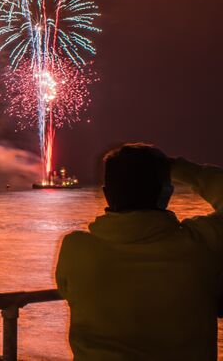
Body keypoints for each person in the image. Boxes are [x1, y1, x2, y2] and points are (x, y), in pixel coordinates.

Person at [55, 144, 223, 359]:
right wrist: (183, 169)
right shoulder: (202, 242)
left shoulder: (76, 249)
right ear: (166, 192)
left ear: (107, 193)